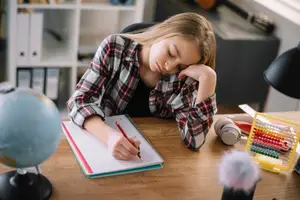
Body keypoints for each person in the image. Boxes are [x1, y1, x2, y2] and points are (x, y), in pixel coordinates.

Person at [67, 12, 217, 161]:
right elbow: (78, 102)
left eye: (180, 66)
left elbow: (194, 141)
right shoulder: (114, 47)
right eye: (171, 53)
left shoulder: (184, 76)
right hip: (110, 145)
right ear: (163, 31)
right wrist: (109, 137)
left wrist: (208, 80)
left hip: (158, 155)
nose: (170, 67)